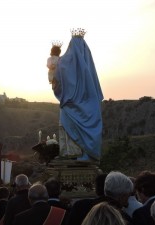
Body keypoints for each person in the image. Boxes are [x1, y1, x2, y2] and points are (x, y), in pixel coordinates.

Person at [52, 28, 103, 160]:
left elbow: (55, 77)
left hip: (71, 104)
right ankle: (79, 153)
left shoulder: (64, 62)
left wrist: (54, 54)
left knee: (69, 126)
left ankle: (74, 153)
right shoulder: (86, 61)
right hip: (87, 105)